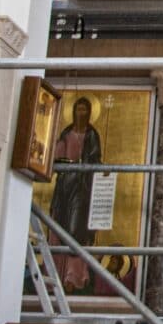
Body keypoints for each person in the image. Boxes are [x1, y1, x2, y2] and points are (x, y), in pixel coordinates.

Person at [48, 96, 102, 291]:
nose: (81, 113)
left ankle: (74, 278)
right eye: (78, 109)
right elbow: (55, 157)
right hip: (64, 187)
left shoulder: (91, 134)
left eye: (84, 110)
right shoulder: (67, 132)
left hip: (81, 188)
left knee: (75, 231)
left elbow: (95, 158)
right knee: (58, 228)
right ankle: (56, 277)